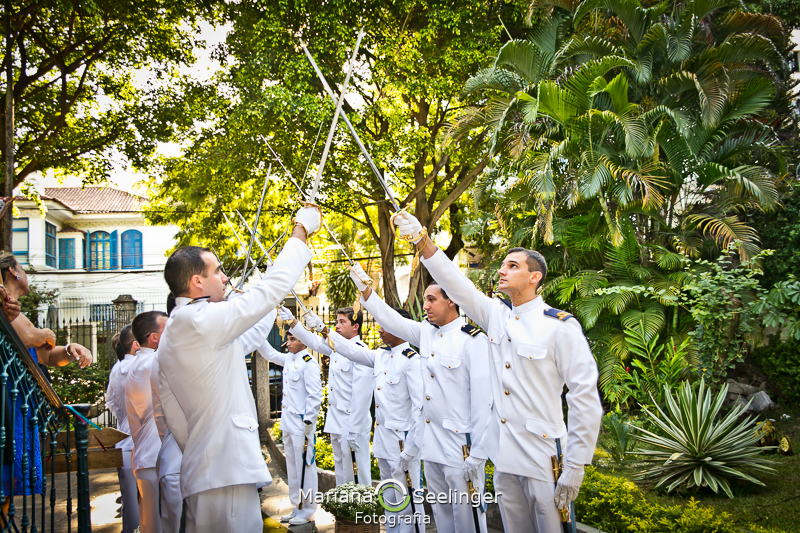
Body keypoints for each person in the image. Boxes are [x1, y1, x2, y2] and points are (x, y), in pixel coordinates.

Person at [392, 212, 603, 533]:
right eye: (503, 264)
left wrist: (575, 464)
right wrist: (421, 240)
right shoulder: (497, 317)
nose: (502, 270)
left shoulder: (559, 326)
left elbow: (584, 396)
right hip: (505, 457)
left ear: (535, 278)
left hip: (544, 457)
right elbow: (455, 283)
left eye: (513, 266)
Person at [157, 204, 320, 533]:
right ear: (197, 281)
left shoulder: (188, 327)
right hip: (224, 467)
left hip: (213, 464)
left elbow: (248, 336)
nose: (226, 278)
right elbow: (269, 289)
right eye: (217, 271)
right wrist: (300, 231)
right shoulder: (198, 320)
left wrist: (262, 304)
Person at [349, 264, 491, 533]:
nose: (425, 305)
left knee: (468, 519)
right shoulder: (426, 333)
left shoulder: (472, 340)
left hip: (461, 447)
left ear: (451, 301)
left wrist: (479, 453)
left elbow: (484, 402)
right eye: (425, 299)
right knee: (441, 515)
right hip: (432, 446)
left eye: (431, 299)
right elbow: (392, 320)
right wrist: (365, 289)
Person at [292, 308, 426, 533]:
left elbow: (419, 408)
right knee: (389, 500)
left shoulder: (411, 360)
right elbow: (346, 349)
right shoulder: (381, 355)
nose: (380, 329)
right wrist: (321, 329)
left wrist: (412, 447)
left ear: (402, 326)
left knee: (409, 503)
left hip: (403, 443)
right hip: (384, 442)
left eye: (385, 324)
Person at [0, 251, 92, 516]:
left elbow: (45, 354)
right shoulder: (6, 308)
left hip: (20, 403)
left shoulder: (16, 310)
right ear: (13, 272)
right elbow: (35, 338)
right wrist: (47, 334)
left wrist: (68, 348)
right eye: (23, 268)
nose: (27, 274)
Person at [281, 305, 374, 488]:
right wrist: (294, 323)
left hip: (352, 423)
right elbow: (313, 342)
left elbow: (362, 395)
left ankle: (361, 514)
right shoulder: (336, 349)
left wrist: (354, 428)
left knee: (358, 474)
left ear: (355, 326)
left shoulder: (361, 351)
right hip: (337, 421)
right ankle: (343, 511)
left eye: (342, 322)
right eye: (336, 322)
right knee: (341, 473)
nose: (337, 326)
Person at [257, 329, 322, 526]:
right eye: (288, 338)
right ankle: (297, 506)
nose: (288, 342)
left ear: (304, 340)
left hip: (302, 425)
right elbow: (269, 353)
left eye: (293, 338)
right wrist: (256, 331)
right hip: (288, 423)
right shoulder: (290, 359)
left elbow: (314, 396)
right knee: (293, 468)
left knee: (306, 467)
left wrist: (308, 423)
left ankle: (308, 508)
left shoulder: (308, 363)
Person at [126, 311, 169, 533]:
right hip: (155, 458)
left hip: (148, 457)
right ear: (154, 337)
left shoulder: (140, 362)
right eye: (167, 328)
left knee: (151, 526)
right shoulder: (151, 362)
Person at [106, 325, 140, 533]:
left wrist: (123, 417)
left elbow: (110, 401)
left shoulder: (117, 368)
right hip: (141, 444)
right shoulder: (140, 365)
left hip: (123, 439)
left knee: (130, 506)